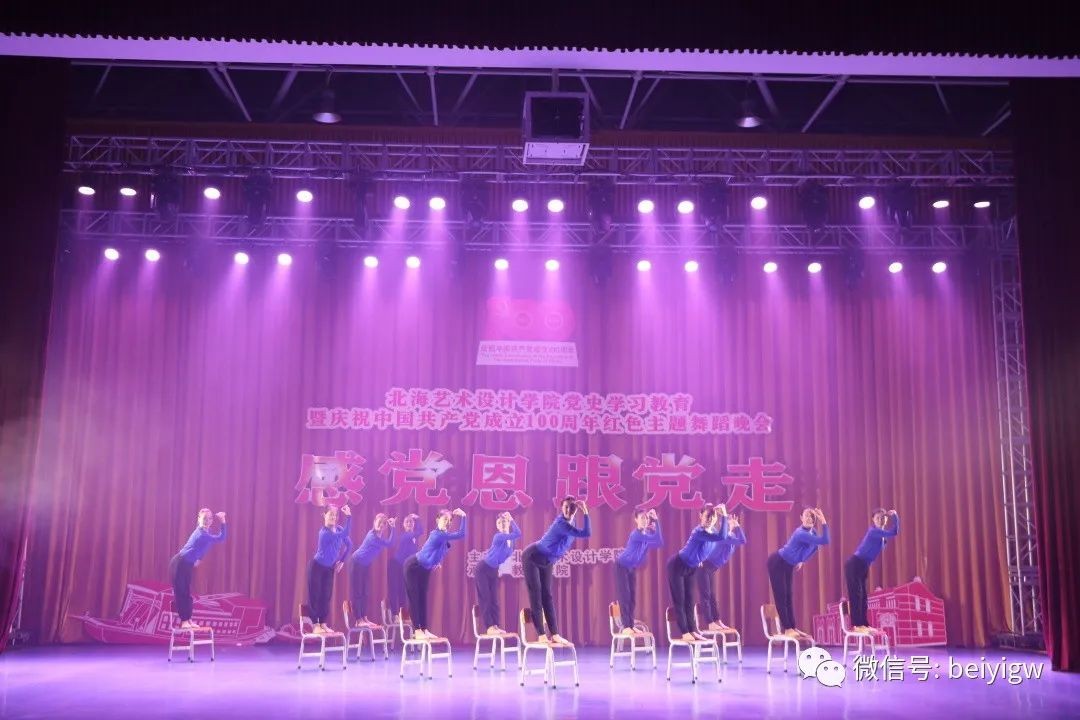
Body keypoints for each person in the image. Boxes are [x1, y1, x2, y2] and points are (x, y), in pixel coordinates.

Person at [521, 497, 591, 645]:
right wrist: (585, 512)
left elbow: (586, 532)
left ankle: (555, 634)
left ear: (575, 509)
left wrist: (585, 511)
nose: (568, 510)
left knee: (547, 596)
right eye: (566, 507)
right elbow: (586, 533)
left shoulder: (572, 523)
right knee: (536, 594)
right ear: (561, 507)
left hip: (547, 561)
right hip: (533, 556)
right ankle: (541, 635)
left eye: (572, 507)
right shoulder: (561, 524)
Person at [403, 508, 467, 639]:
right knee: (415, 597)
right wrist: (464, 516)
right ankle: (417, 630)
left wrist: (436, 562)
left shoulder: (443, 537)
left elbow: (439, 551)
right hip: (413, 566)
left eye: (449, 520)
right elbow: (461, 534)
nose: (447, 522)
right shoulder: (438, 534)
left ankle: (424, 629)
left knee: (423, 598)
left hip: (425, 568)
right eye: (445, 519)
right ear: (438, 520)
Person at [667, 503, 727, 642]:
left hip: (692, 567)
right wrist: (724, 515)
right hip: (677, 565)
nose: (710, 520)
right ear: (700, 516)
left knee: (690, 600)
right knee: (680, 600)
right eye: (707, 516)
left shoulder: (712, 532)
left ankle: (692, 630)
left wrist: (699, 559)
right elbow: (722, 537)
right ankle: (684, 632)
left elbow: (707, 546)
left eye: (713, 517)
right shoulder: (699, 532)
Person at [767, 507, 829, 642]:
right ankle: (787, 628)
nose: (809, 519)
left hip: (788, 565)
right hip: (777, 562)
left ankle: (792, 627)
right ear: (801, 518)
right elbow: (825, 540)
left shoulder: (813, 532)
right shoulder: (801, 533)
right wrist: (823, 521)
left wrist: (802, 560)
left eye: (812, 517)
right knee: (781, 596)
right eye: (807, 516)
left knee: (789, 596)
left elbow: (816, 547)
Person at [169, 508, 227, 630]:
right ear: (199, 519)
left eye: (210, 518)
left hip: (187, 564)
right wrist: (222, 521)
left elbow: (204, 547)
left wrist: (199, 559)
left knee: (187, 593)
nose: (207, 521)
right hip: (179, 563)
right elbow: (221, 538)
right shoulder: (201, 534)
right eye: (204, 518)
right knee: (181, 592)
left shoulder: (206, 533)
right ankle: (184, 621)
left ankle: (188, 619)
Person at [845, 508, 899, 631]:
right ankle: (856, 624)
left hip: (864, 566)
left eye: (883, 517)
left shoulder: (882, 537)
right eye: (877, 518)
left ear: (886, 519)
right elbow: (894, 532)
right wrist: (895, 517)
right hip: (855, 564)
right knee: (856, 595)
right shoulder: (873, 531)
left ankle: (864, 623)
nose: (880, 520)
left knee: (864, 596)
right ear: (873, 520)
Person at [614, 508, 663, 636]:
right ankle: (626, 626)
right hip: (621, 565)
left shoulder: (645, 534)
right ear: (636, 520)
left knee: (632, 598)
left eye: (646, 518)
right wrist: (656, 521)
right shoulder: (636, 534)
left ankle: (630, 625)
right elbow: (656, 539)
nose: (644, 520)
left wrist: (654, 525)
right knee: (625, 596)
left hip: (631, 567)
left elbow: (659, 542)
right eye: (641, 518)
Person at [696, 513, 746, 631]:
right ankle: (710, 622)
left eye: (731, 521)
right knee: (706, 595)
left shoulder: (731, 536)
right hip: (704, 566)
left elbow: (742, 540)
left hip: (711, 568)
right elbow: (742, 541)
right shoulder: (723, 537)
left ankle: (717, 620)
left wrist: (736, 526)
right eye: (727, 521)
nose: (730, 522)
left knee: (712, 595)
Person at [308, 504, 353, 634]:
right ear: (324, 515)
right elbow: (345, 533)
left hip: (329, 569)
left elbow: (349, 545)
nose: (333, 517)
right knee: (315, 595)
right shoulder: (324, 533)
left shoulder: (338, 528)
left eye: (335, 515)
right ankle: (315, 625)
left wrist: (342, 560)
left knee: (326, 596)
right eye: (330, 514)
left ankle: (323, 623)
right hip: (316, 567)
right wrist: (349, 516)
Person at [475, 511, 522, 634]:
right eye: (499, 523)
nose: (502, 524)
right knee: (486, 597)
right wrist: (512, 520)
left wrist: (498, 567)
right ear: (497, 526)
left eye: (504, 521)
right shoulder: (498, 536)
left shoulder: (511, 542)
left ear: (508, 523)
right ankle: (489, 627)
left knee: (495, 599)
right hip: (483, 569)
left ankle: (495, 625)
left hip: (494, 570)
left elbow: (505, 554)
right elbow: (518, 533)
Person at [349, 513, 396, 627]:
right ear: (374, 522)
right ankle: (358, 620)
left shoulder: (380, 538)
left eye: (384, 524)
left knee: (365, 592)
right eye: (379, 522)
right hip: (356, 562)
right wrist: (393, 528)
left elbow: (391, 543)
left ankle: (364, 617)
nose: (381, 525)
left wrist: (393, 527)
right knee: (358, 592)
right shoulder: (372, 536)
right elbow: (389, 543)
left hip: (365, 565)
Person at [388, 513, 421, 617]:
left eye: (411, 522)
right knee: (394, 589)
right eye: (407, 522)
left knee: (403, 590)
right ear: (403, 524)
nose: (409, 523)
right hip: (395, 565)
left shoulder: (413, 539)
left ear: (414, 524)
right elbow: (420, 531)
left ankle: (402, 615)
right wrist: (417, 518)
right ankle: (394, 615)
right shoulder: (405, 536)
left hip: (403, 566)